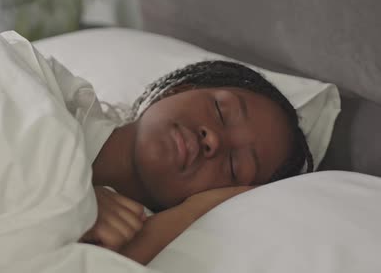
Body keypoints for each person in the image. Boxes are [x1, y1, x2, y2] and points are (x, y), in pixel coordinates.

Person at [78, 60, 313, 265]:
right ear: (175, 91)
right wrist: (77, 199)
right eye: (221, 112)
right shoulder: (58, 93)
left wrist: (192, 211)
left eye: (234, 167)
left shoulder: (142, 243)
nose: (213, 140)